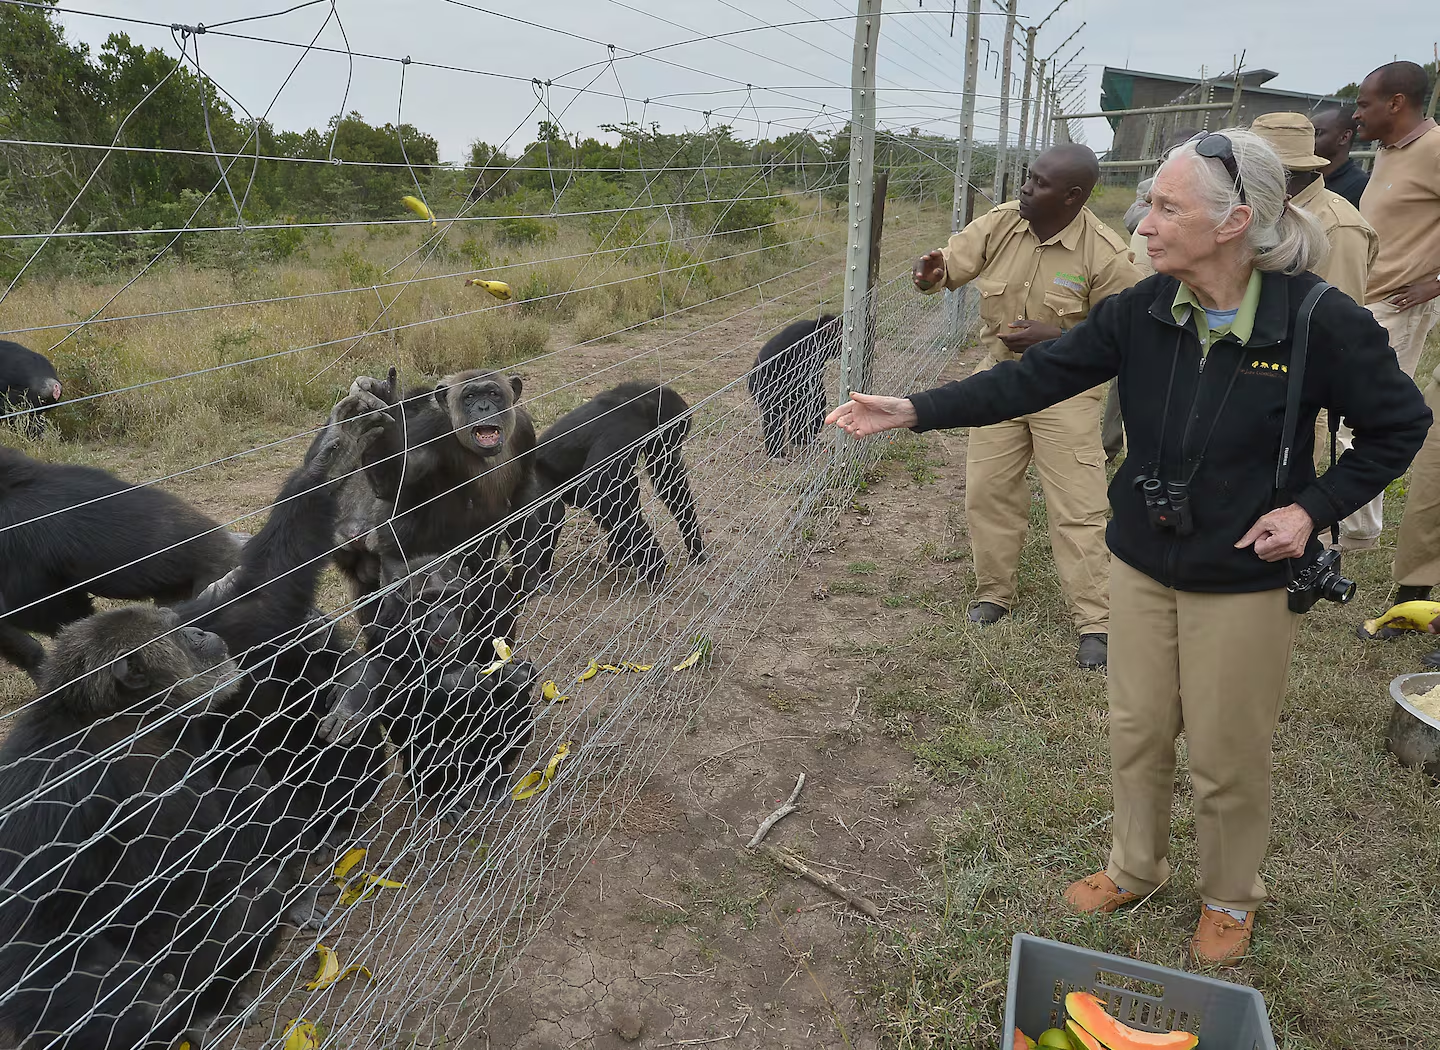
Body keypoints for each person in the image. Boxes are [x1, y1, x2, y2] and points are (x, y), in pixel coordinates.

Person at [827, 130, 1430, 965]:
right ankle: (1135, 866)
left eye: (1167, 208)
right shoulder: (1145, 308)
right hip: (1144, 557)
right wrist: (915, 409)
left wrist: (1309, 510)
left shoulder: (1319, 323)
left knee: (1225, 751)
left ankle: (1230, 896)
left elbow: (1399, 426)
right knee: (1137, 728)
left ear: (1234, 223)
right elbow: (1035, 377)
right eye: (1149, 203)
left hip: (1244, 575)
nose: (1142, 222)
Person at [910, 143, 1141, 669]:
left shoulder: (1106, 255)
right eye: (1028, 177)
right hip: (999, 379)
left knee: (1079, 508)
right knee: (988, 491)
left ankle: (1097, 622)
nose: (1025, 188)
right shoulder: (1002, 223)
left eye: (1039, 182)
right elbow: (951, 265)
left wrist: (1056, 337)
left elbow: (1124, 336)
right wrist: (931, 275)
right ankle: (994, 592)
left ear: (1073, 196)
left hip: (1067, 390)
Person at [1251, 112, 1382, 549]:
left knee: (1283, 489)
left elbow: (1337, 327)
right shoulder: (1262, 209)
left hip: (1294, 382)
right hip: (1249, 367)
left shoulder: (1338, 226)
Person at [1355, 60, 1440, 381]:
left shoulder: (1435, 149)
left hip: (1396, 307)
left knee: (1372, 405)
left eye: (1364, 105)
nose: (1356, 114)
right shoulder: (1388, 150)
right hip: (1366, 298)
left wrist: (1437, 284)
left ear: (1395, 103)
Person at [1312, 107, 1370, 209]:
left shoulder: (1360, 187)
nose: (1308, 139)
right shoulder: (1303, 178)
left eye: (1317, 133)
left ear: (1344, 137)